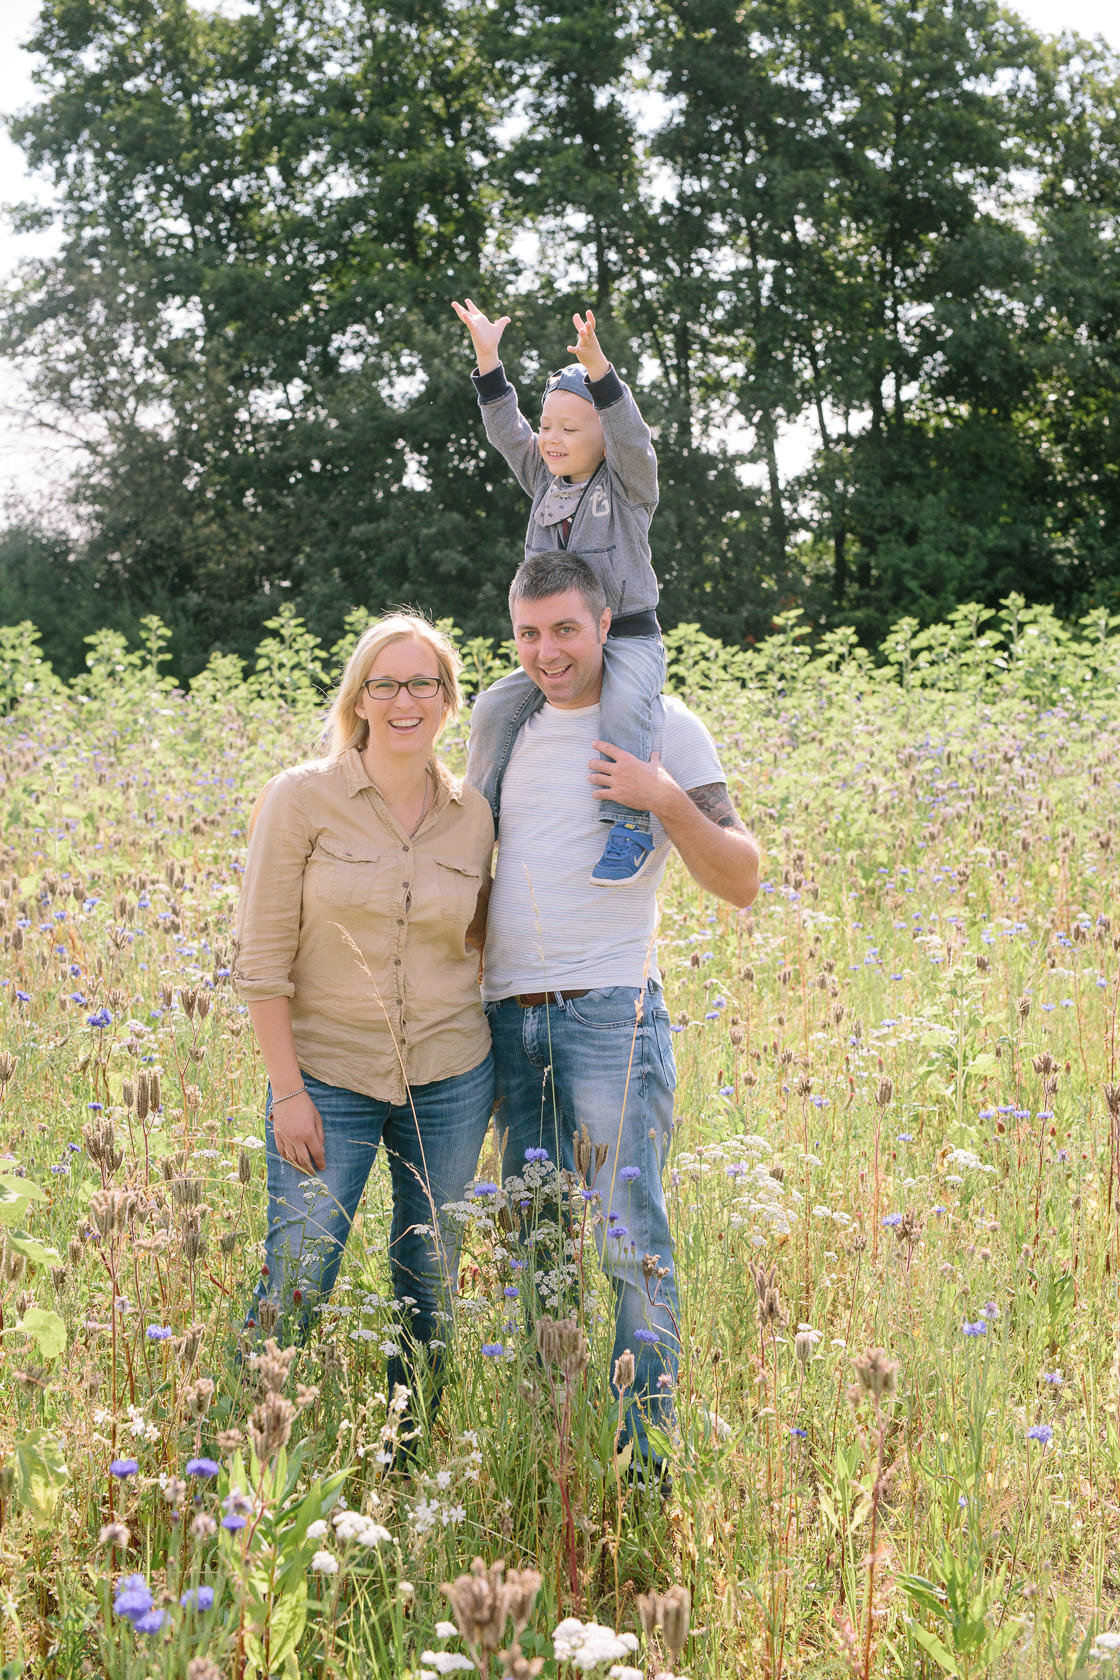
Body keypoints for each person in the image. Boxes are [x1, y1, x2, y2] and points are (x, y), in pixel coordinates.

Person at [471, 553, 760, 1485]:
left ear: (603, 626)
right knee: (537, 1246)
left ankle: (647, 1469)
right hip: (509, 1021)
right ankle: (554, 1453)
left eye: (565, 629)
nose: (547, 652)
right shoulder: (507, 726)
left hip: (611, 1016)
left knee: (628, 1245)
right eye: (528, 633)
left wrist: (663, 797)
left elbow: (741, 878)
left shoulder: (662, 724)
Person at [232, 613, 495, 1420]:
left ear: (449, 700)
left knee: (431, 1281)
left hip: (449, 1078)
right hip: (328, 1077)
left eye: (423, 683)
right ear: (361, 698)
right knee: (300, 1276)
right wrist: (287, 1092)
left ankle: (410, 1453)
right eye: (386, 683)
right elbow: (261, 959)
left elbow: (479, 945)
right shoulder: (301, 797)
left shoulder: (474, 815)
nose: (405, 699)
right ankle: (245, 1456)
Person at [451, 297, 664, 887]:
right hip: (558, 647)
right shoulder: (544, 480)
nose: (551, 438)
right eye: (548, 426)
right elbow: (505, 430)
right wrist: (488, 360)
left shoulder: (628, 485)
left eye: (570, 428)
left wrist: (598, 369)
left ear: (603, 436)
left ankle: (628, 826)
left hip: (626, 637)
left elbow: (633, 439)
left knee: (622, 705)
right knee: (494, 705)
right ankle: (477, 825)